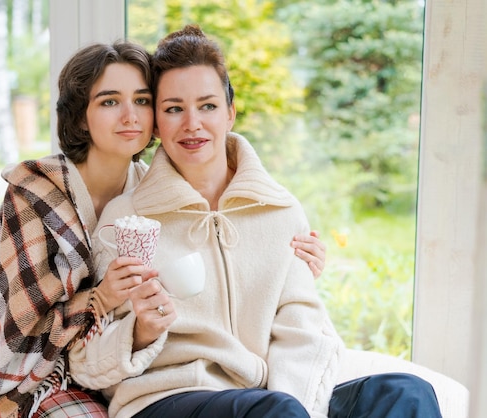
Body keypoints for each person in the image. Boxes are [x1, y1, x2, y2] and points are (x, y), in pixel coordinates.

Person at [0, 40, 326, 418]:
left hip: (116, 367)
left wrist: (291, 264)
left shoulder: (149, 194)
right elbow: (18, 332)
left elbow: (222, 275)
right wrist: (101, 299)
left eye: (142, 101)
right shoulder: (35, 196)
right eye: (110, 102)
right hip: (33, 370)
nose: (131, 116)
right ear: (81, 113)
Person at [68, 24, 443, 418]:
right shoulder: (127, 220)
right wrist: (141, 332)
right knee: (273, 410)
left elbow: (303, 330)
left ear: (230, 112)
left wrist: (302, 406)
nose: (192, 123)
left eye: (208, 106)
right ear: (157, 124)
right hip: (168, 399)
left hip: (267, 398)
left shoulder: (280, 211)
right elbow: (87, 363)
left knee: (406, 392)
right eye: (174, 108)